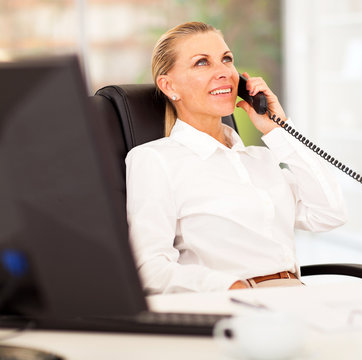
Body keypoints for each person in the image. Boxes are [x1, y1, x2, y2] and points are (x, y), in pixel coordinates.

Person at [125, 21, 347, 293]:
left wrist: (279, 130)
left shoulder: (261, 159)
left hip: (295, 296)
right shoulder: (155, 160)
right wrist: (230, 286)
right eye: (201, 63)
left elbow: (330, 213)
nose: (223, 72)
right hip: (231, 305)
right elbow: (149, 268)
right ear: (169, 85)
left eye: (226, 59)